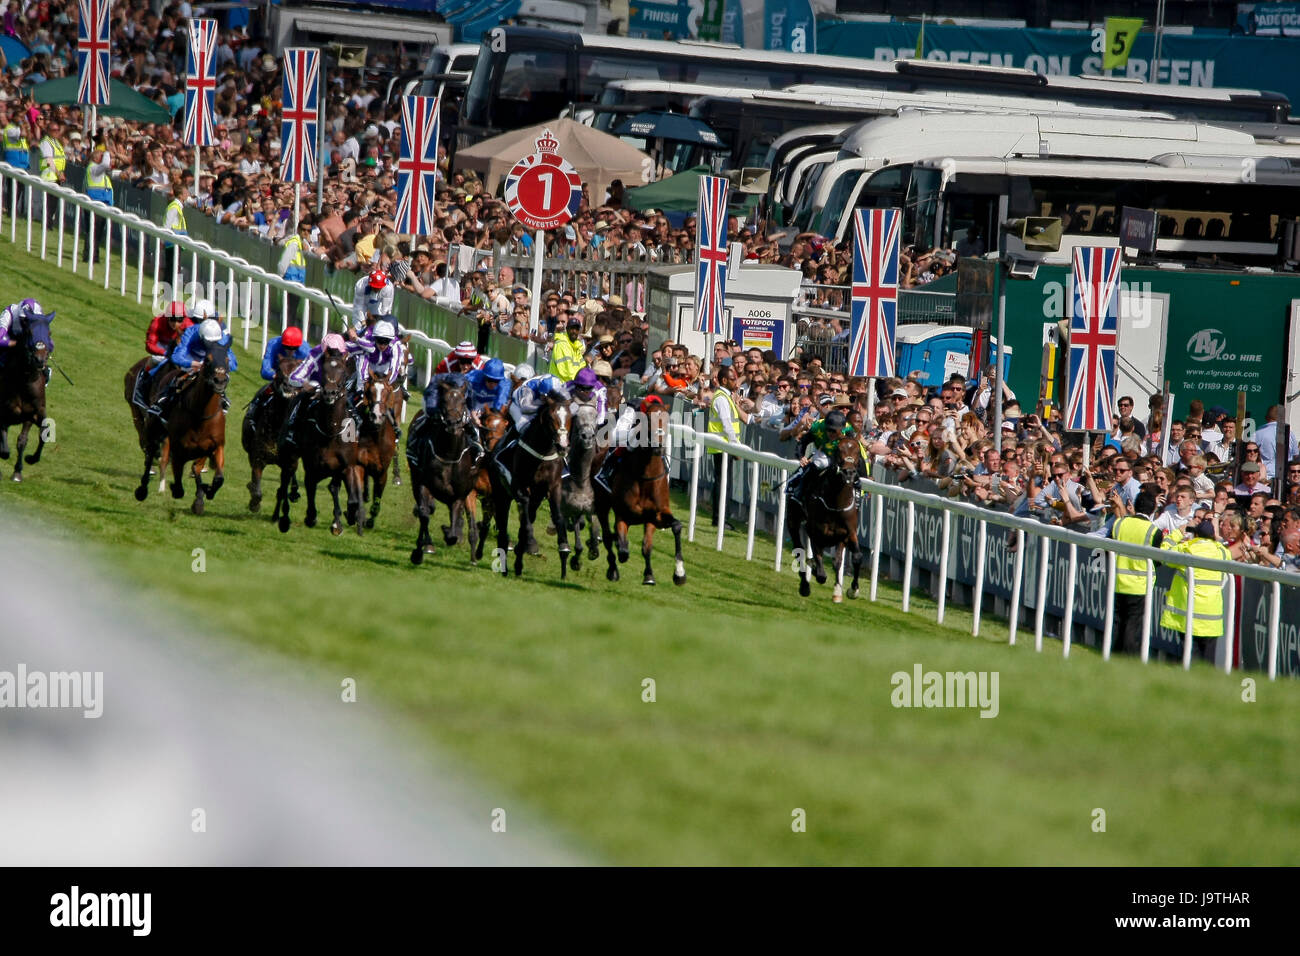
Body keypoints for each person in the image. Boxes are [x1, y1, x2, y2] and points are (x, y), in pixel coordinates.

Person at [1159, 518, 1233, 663]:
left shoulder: (1187, 549)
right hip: (1212, 619)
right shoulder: (1223, 553)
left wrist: (1177, 533)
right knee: (1207, 665)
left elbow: (1164, 554)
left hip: (1190, 617)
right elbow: (1223, 548)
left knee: (1189, 661)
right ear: (1212, 535)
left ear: (1196, 535)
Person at [147, 311, 237, 421]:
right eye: (208, 342)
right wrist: (191, 363)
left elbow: (233, 364)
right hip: (192, 358)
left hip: (211, 362)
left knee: (221, 375)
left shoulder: (221, 337)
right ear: (201, 336)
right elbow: (176, 356)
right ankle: (163, 400)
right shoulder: (191, 332)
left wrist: (221, 367)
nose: (211, 345)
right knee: (182, 376)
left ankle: (223, 397)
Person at [1108, 487, 1166, 656]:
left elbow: (1109, 548)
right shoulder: (1154, 531)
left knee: (1118, 620)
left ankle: (1115, 653)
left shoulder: (1119, 523)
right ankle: (1128, 656)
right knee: (1132, 623)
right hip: (1139, 585)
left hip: (1118, 580)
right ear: (1153, 509)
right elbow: (1157, 561)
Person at [708, 365, 749, 528]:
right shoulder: (721, 398)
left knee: (722, 483)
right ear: (724, 380)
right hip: (723, 446)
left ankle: (719, 518)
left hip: (722, 446)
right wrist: (735, 447)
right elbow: (726, 425)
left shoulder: (725, 397)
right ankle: (719, 519)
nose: (736, 383)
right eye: (733, 380)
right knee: (723, 484)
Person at [131, 301, 192, 409]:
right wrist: (165, 353)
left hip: (178, 348)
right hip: (162, 346)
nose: (176, 323)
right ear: (167, 317)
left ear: (184, 318)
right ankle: (142, 385)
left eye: (179, 319)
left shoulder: (189, 325)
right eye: (172, 319)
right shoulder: (157, 322)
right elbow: (149, 345)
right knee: (155, 360)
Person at [787, 409, 854, 505]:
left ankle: (858, 493)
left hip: (841, 454)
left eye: (834, 431)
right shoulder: (816, 427)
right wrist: (802, 457)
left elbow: (853, 450)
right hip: (824, 452)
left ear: (841, 429)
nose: (831, 433)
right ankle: (800, 494)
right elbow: (802, 443)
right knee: (820, 463)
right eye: (829, 430)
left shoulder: (848, 430)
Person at [247, 325, 311, 422]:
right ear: (282, 343)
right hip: (279, 379)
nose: (290, 351)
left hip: (296, 383)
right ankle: (252, 413)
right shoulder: (273, 344)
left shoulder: (306, 351)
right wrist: (278, 376)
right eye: (287, 347)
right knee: (263, 392)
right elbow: (265, 370)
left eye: (294, 348)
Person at [83, 144, 113, 264]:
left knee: (94, 232)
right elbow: (106, 164)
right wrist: (107, 152)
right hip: (97, 203)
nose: (103, 158)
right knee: (94, 232)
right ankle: (91, 256)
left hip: (97, 203)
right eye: (101, 156)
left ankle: (91, 255)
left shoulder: (94, 170)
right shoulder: (94, 169)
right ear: (95, 158)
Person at [351, 268, 394, 335]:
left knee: (378, 326)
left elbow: (386, 309)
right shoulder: (361, 285)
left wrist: (381, 325)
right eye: (375, 287)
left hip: (378, 303)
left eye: (378, 288)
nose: (376, 289)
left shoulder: (389, 288)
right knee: (358, 325)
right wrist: (363, 322)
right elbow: (359, 306)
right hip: (364, 301)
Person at [163, 182, 189, 287]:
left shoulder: (178, 205)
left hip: (176, 241)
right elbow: (167, 225)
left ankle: (169, 290)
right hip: (172, 241)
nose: (188, 194)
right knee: (171, 268)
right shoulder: (174, 206)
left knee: (173, 267)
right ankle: (167, 291)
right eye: (186, 193)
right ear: (180, 195)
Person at [549, 316, 586, 383]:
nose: (574, 331)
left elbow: (582, 366)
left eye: (576, 329)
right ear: (567, 329)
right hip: (560, 386)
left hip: (570, 385)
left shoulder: (576, 346)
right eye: (572, 328)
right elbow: (566, 372)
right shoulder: (561, 344)